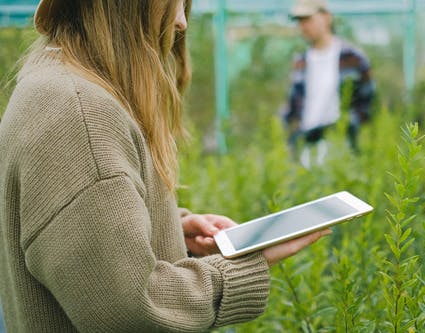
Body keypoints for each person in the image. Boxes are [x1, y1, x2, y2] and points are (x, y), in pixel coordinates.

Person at [0, 1, 331, 332]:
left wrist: (173, 229)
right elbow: (130, 309)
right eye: (172, 4)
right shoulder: (79, 112)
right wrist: (244, 266)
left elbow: (79, 228)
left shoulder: (54, 86)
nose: (181, 22)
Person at [283, 0, 375, 167]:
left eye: (308, 19)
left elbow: (366, 106)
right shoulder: (300, 62)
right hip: (307, 150)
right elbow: (293, 107)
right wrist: (293, 135)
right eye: (300, 21)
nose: (303, 26)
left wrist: (334, 129)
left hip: (343, 148)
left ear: (326, 17)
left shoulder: (353, 59)